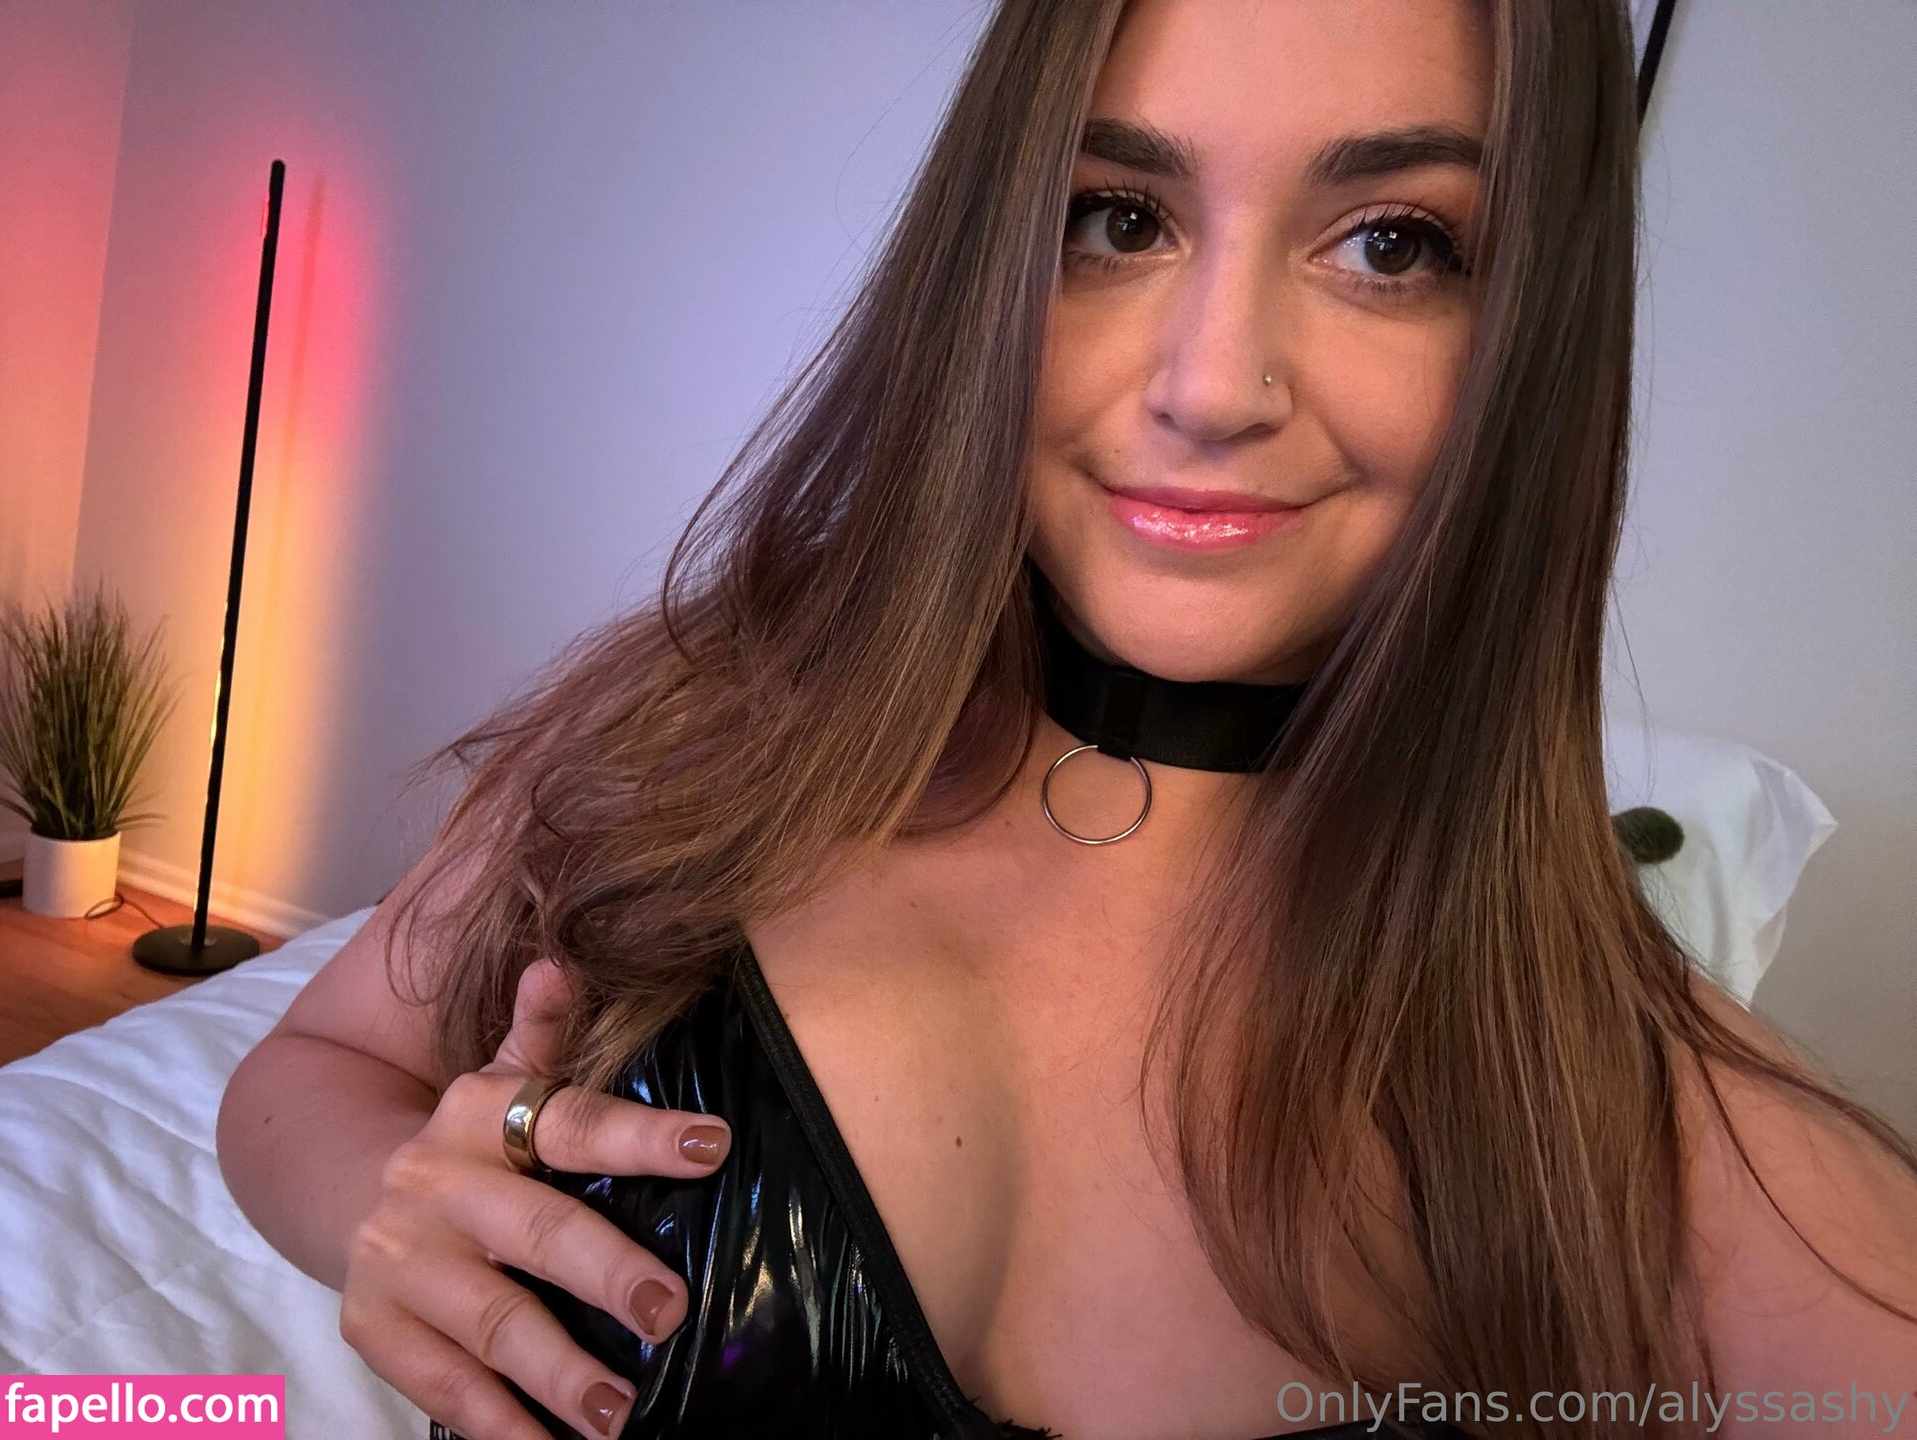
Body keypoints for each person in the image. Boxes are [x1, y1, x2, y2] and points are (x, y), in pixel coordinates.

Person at [215, 0, 1917, 1437]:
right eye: (1118, 216)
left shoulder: (1614, 1107)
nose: (1209, 384)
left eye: (1392, 244)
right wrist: (384, 1211)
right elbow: (316, 1066)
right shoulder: (699, 729)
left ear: (1532, 337)